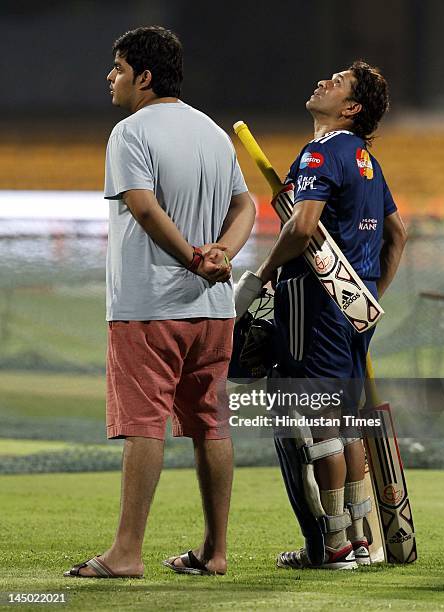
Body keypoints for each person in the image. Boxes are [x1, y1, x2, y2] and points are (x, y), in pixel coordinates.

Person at [64, 26, 255, 578]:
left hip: (149, 307)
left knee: (145, 426)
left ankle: (126, 553)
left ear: (144, 77)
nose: (111, 77)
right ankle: (216, 553)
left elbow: (145, 211)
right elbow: (245, 206)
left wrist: (195, 257)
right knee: (210, 426)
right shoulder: (215, 133)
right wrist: (221, 253)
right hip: (213, 310)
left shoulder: (129, 133)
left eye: (118, 68)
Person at [255, 61, 407, 569]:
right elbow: (397, 234)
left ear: (351, 107)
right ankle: (361, 539)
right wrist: (368, 297)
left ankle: (337, 545)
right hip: (354, 307)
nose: (323, 81)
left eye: (337, 82)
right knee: (347, 421)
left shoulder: (320, 151)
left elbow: (301, 227)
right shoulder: (366, 158)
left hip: (318, 303)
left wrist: (264, 269)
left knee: (322, 423)